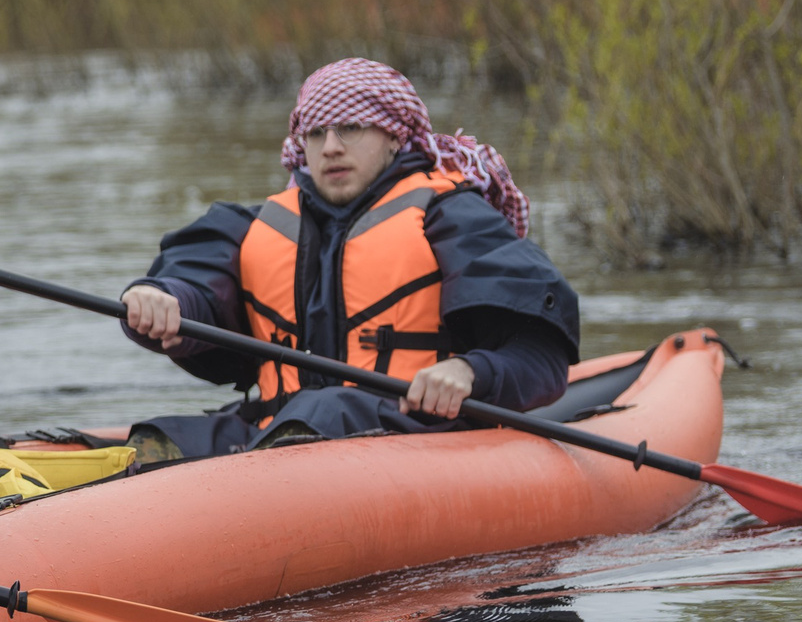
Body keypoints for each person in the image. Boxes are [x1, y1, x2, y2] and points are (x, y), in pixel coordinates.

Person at [117, 57, 579, 458]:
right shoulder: (254, 225)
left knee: (322, 411)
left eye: (350, 129)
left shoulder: (452, 217)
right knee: (158, 438)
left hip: (413, 431)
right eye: (316, 134)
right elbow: (196, 277)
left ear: (394, 136)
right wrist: (163, 299)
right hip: (278, 429)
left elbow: (542, 356)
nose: (331, 147)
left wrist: (470, 371)